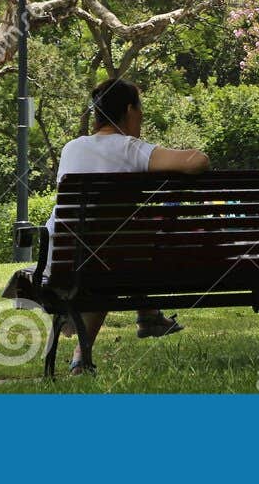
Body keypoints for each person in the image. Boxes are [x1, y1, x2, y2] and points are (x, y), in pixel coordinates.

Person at [50, 77, 209, 374]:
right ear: (128, 110)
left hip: (61, 257)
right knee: (116, 257)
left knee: (111, 251)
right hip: (107, 261)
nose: (142, 116)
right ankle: (146, 316)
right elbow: (196, 162)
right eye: (140, 109)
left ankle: (143, 317)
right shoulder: (130, 148)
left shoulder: (72, 148)